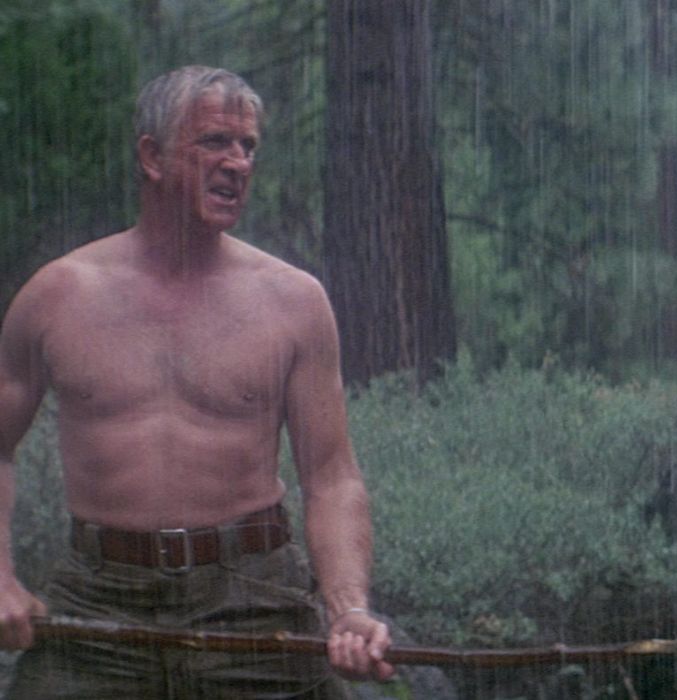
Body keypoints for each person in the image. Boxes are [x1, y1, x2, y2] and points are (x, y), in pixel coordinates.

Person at [0, 65, 395, 697]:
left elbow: (331, 476)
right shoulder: (59, 295)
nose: (238, 163)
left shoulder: (293, 301)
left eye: (249, 147)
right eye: (215, 141)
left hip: (254, 595)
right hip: (99, 600)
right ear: (152, 157)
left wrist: (347, 606)